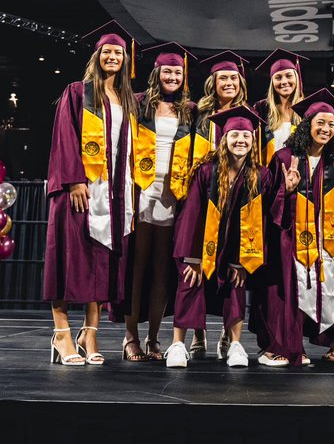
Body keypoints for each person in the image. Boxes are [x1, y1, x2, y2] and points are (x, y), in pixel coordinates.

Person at [43, 24, 136, 367]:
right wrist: (73, 180)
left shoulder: (126, 99)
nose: (113, 57)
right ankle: (61, 334)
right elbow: (64, 137)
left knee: (101, 264)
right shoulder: (77, 92)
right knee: (69, 261)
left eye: (119, 53)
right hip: (79, 191)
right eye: (107, 52)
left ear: (126, 60)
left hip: (112, 195)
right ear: (97, 57)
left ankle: (90, 333)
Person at [116, 42, 210, 362]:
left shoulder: (191, 110)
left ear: (184, 76)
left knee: (161, 270)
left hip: (174, 196)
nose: (172, 76)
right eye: (167, 71)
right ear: (157, 73)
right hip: (142, 191)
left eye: (178, 72)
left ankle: (154, 338)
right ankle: (130, 338)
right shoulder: (139, 104)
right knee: (137, 267)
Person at [166, 106, 273, 369]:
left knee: (235, 284)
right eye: (235, 135)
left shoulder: (260, 175)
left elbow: (261, 222)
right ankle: (178, 344)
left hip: (236, 247)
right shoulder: (206, 171)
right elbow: (192, 215)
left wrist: (243, 260)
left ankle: (235, 344)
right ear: (224, 139)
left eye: (246, 136)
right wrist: (192, 256)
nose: (241, 140)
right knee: (190, 281)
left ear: (253, 140)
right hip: (201, 244)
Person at [257, 89, 334, 365]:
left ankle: (308, 343)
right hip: (288, 234)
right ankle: (282, 347)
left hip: (323, 237)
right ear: (307, 124)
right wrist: (288, 189)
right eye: (320, 122)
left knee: (320, 286)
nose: (326, 129)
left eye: (331, 125)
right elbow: (268, 203)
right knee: (288, 288)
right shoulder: (285, 158)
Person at [191, 50, 249, 357]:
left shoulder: (250, 116)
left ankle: (229, 336)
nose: (228, 83)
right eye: (222, 78)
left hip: (237, 203)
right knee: (198, 267)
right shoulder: (199, 117)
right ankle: (198, 334)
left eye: (233, 78)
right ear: (213, 83)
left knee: (231, 269)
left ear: (241, 82)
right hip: (203, 199)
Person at [254, 49, 305, 162]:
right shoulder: (262, 109)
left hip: (297, 174)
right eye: (278, 77)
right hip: (268, 173)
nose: (284, 81)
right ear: (272, 82)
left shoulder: (306, 109)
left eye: (288, 76)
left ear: (296, 78)